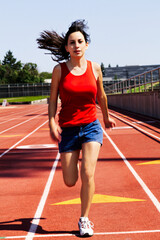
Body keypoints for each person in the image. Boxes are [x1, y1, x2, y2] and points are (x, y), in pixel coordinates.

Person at [37, 20, 116, 237]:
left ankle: (85, 219)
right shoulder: (59, 70)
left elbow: (101, 96)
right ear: (66, 47)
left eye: (80, 41)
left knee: (88, 173)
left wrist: (107, 119)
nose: (77, 45)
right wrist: (52, 122)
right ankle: (83, 214)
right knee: (70, 181)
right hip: (69, 130)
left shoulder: (95, 68)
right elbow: (52, 99)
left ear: (87, 45)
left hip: (91, 126)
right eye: (72, 42)